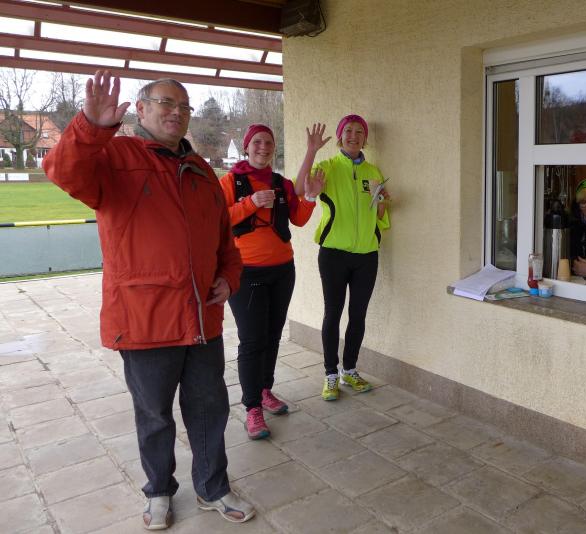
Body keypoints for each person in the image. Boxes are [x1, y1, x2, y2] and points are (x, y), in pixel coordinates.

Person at [43, 70, 254, 530]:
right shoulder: (116, 156)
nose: (176, 112)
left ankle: (212, 486)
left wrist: (229, 278)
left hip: (202, 318)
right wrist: (91, 126)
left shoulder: (202, 170)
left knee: (209, 409)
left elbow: (226, 243)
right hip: (145, 320)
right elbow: (62, 171)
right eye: (165, 103)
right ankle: (159, 491)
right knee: (155, 415)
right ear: (141, 110)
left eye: (184, 106)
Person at [219, 123, 326, 439]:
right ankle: (252, 407)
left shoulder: (281, 184)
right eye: (257, 142)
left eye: (268, 143)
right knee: (252, 340)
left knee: (273, 335)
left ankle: (265, 390)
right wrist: (251, 203)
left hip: (282, 270)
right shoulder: (230, 182)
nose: (263, 147)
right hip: (246, 272)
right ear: (246, 146)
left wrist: (311, 197)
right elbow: (217, 220)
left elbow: (299, 219)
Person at [295, 114, 391, 401]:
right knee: (333, 313)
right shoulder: (327, 167)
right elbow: (300, 188)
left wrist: (383, 202)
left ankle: (350, 370)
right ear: (340, 136)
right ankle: (330, 374)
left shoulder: (373, 171)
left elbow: (380, 215)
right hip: (333, 254)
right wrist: (311, 151)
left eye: (359, 131)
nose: (353, 135)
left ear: (365, 138)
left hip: (367, 255)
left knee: (358, 315)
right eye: (348, 130)